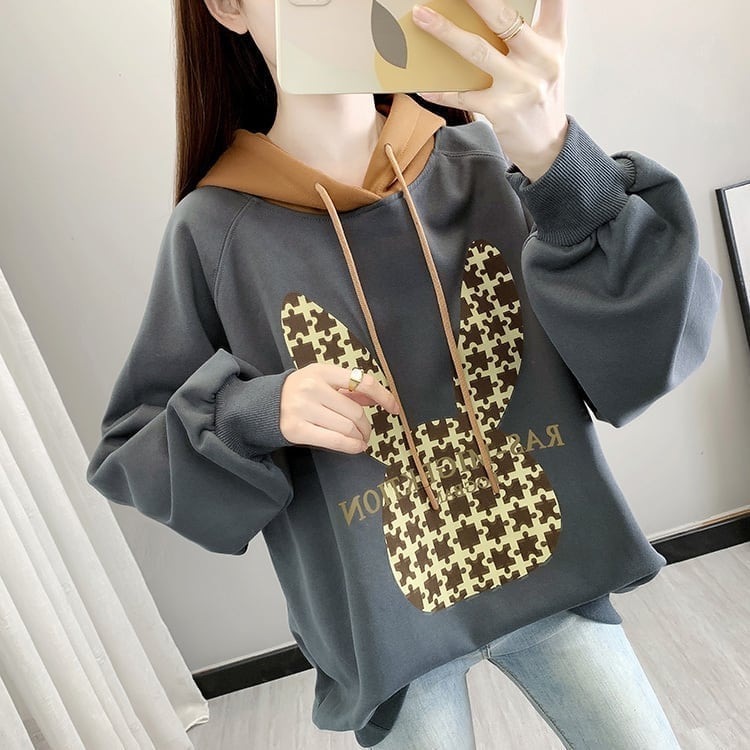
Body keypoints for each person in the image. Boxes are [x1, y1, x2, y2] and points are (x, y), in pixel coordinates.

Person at [86, 0, 722, 747]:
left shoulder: (488, 157)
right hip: (387, 626)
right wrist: (263, 409)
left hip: (552, 567)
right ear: (227, 6)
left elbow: (655, 339)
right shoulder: (213, 231)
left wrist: (557, 156)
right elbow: (134, 447)